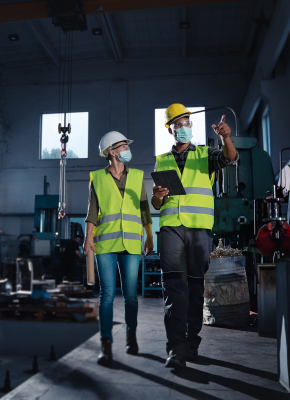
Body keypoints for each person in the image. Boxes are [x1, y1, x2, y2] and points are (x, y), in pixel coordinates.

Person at [152, 104, 237, 369]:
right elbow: (157, 204)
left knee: (195, 286)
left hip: (198, 228)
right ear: (171, 129)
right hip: (171, 228)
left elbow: (229, 158)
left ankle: (191, 342)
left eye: (187, 122)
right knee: (174, 287)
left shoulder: (205, 154)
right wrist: (157, 197)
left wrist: (226, 138)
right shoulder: (162, 159)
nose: (184, 126)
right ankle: (175, 348)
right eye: (178, 123)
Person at [83, 131, 154, 366]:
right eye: (123, 146)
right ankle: (106, 344)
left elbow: (145, 208)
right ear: (112, 152)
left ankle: (131, 335)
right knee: (107, 295)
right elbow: (92, 211)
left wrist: (150, 235)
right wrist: (87, 238)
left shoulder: (137, 177)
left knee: (131, 296)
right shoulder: (98, 178)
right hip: (105, 243)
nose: (127, 150)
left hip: (132, 243)